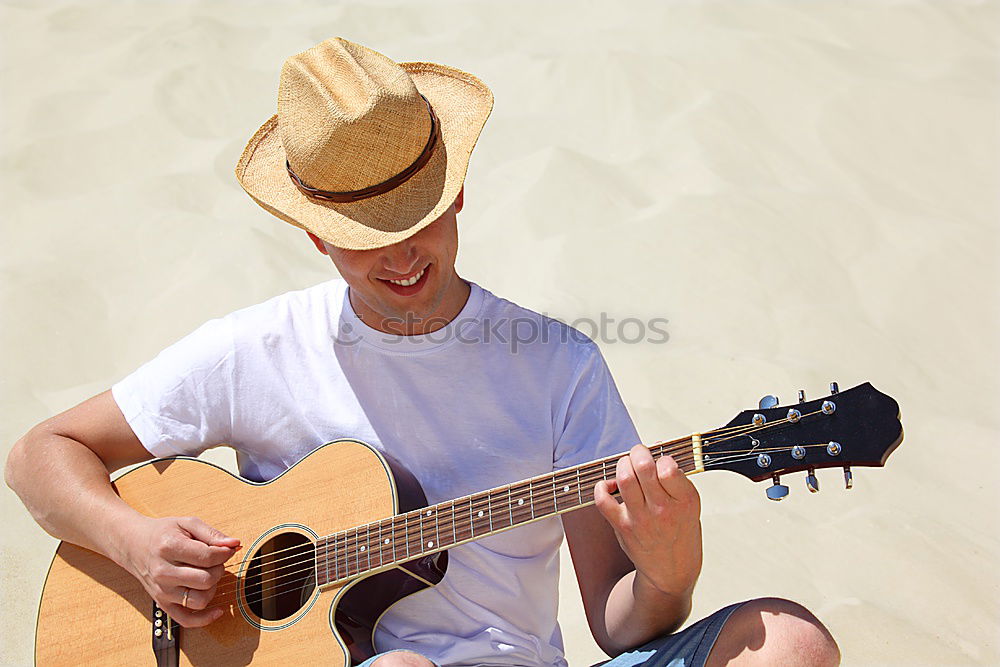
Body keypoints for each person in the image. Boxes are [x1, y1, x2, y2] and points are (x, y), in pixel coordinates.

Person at [5, 37, 840, 666]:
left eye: (422, 218)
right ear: (313, 233)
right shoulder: (256, 349)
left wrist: (668, 568)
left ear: (460, 192)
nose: (403, 255)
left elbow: (619, 625)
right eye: (369, 236)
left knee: (790, 641)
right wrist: (135, 544)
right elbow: (40, 455)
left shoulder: (558, 365)